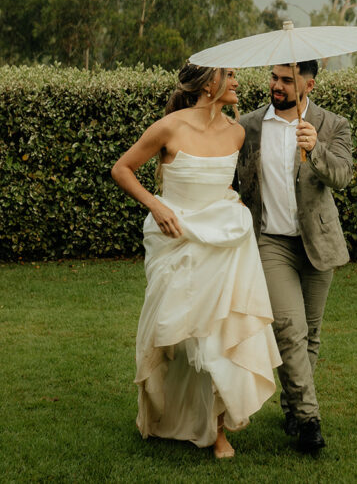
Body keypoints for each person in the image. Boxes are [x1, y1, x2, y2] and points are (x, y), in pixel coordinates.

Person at [111, 62, 281, 459]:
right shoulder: (169, 127)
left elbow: (225, 184)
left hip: (225, 241)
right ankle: (167, 415)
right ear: (210, 84)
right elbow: (122, 169)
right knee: (179, 337)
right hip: (177, 239)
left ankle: (219, 431)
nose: (238, 83)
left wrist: (231, 199)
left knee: (220, 336)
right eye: (231, 76)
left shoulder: (237, 132)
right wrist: (155, 206)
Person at [235, 60, 353, 454]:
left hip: (317, 242)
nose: (277, 86)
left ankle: (290, 405)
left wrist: (314, 148)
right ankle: (308, 421)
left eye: (287, 80)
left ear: (309, 84)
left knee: (311, 336)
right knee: (289, 329)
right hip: (271, 242)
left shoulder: (332, 125)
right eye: (274, 78)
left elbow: (342, 176)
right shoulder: (249, 126)